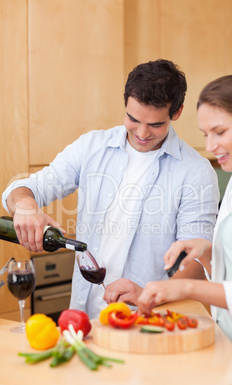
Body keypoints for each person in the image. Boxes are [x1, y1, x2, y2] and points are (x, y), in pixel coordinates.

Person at [2, 59, 219, 319]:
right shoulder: (91, 147)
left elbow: (196, 258)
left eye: (156, 124)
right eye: (133, 118)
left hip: (149, 321)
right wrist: (25, 207)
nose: (142, 132)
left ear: (178, 112)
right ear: (125, 102)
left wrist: (151, 293)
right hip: (84, 319)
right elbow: (26, 187)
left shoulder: (196, 171)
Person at [137, 74, 232, 385]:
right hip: (231, 357)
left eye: (220, 132)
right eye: (206, 134)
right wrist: (207, 254)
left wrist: (184, 286)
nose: (210, 146)